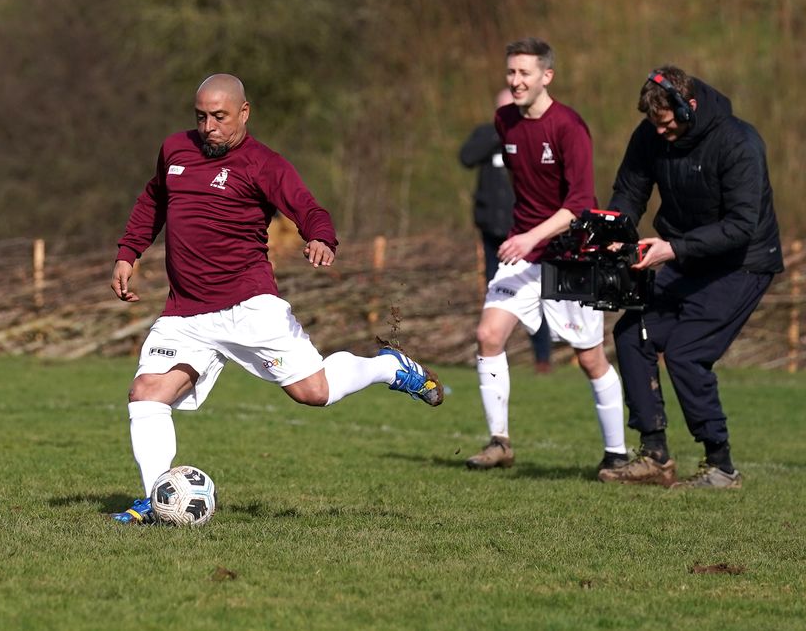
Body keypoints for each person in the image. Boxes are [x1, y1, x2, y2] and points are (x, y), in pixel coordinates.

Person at [109, 73, 443, 524]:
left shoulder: (263, 164)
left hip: (248, 306)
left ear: (244, 113)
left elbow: (308, 208)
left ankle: (389, 367)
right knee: (146, 395)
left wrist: (320, 238)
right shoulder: (174, 150)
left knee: (314, 392)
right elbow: (153, 201)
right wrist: (128, 253)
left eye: (220, 117)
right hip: (186, 311)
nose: (209, 127)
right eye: (201, 116)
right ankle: (156, 497)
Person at [597, 66, 782, 489]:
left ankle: (720, 466)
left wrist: (671, 249)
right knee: (632, 330)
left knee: (686, 351)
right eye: (654, 125)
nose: (661, 133)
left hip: (743, 262)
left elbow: (740, 226)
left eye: (667, 124)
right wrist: (617, 233)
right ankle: (654, 455)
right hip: (685, 255)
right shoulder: (650, 136)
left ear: (689, 106)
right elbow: (629, 191)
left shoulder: (739, 142)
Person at [465, 38, 627, 472]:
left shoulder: (570, 127)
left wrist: (529, 236)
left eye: (525, 73)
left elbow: (578, 207)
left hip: (568, 255)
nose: (516, 81)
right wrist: (523, 237)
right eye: (511, 73)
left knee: (589, 357)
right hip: (523, 251)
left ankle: (617, 453)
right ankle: (500, 442)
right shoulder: (505, 121)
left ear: (546, 76)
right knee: (488, 336)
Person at [460, 87, 553, 375]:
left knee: (535, 294)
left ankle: (542, 359)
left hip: (525, 235)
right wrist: (499, 133)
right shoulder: (487, 136)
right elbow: (466, 157)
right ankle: (495, 353)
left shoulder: (534, 137)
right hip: (493, 233)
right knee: (496, 292)